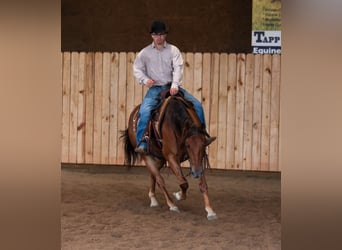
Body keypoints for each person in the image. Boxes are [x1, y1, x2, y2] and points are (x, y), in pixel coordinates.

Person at [133, 20, 216, 154]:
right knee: (145, 111)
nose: (159, 37)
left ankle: (201, 136)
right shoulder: (145, 53)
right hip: (155, 88)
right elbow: (137, 68)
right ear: (152, 36)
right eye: (156, 35)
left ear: (165, 35)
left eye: (162, 34)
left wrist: (175, 84)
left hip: (172, 85)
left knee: (197, 105)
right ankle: (142, 142)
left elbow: (178, 68)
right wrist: (145, 79)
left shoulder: (173, 50)